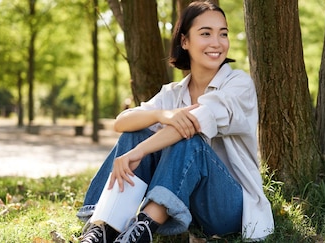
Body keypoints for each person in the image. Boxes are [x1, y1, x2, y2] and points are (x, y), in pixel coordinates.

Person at [77, 1, 274, 242]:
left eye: (223, 33)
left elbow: (194, 122)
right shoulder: (173, 93)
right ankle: (103, 226)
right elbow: (122, 122)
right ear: (185, 41)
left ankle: (142, 229)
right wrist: (161, 115)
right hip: (187, 205)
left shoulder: (238, 84)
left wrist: (138, 152)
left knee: (189, 139)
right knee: (136, 133)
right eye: (205, 33)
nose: (217, 42)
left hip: (227, 207)